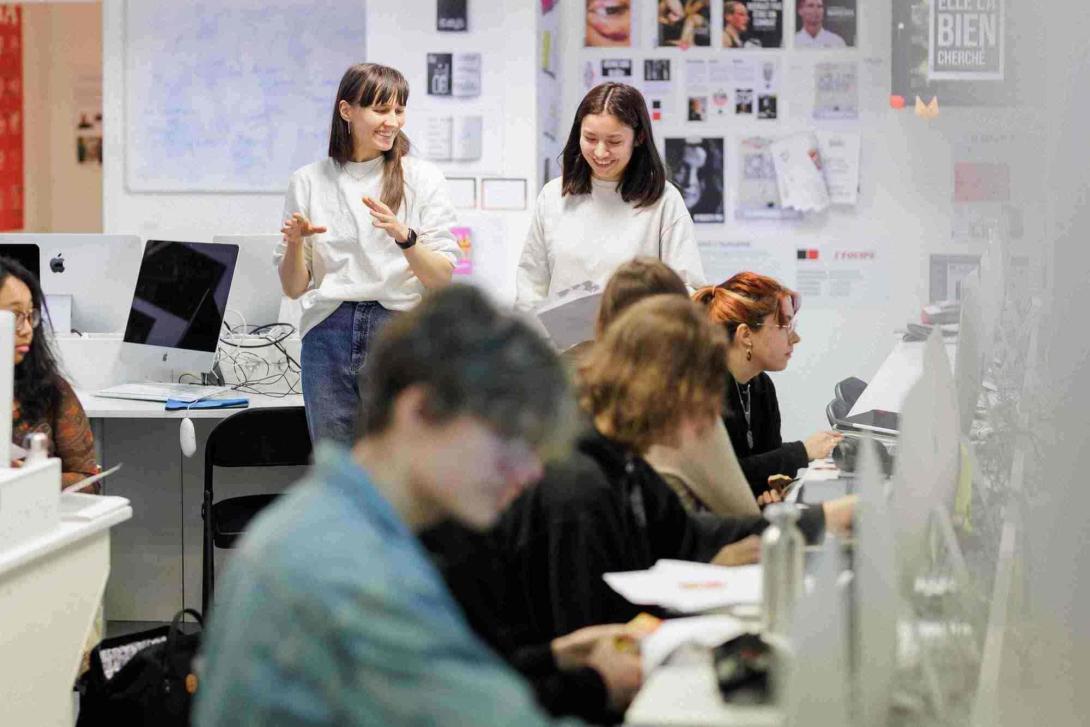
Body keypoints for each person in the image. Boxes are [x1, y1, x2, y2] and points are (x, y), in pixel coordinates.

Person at [195, 285, 630, 726]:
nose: (529, 472)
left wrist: (555, 657)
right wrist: (604, 684)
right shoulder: (359, 575)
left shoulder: (328, 523)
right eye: (509, 439)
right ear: (420, 410)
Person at [493, 295, 855, 643]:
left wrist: (823, 518)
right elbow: (594, 634)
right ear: (655, 389)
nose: (705, 422)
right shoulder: (579, 489)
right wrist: (709, 571)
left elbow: (690, 533)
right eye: (698, 400)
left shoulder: (623, 461)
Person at [276, 63, 461, 446]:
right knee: (336, 467)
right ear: (347, 111)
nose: (392, 122)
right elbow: (293, 288)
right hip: (327, 333)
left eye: (399, 110)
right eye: (380, 110)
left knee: (399, 465)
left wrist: (405, 237)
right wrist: (294, 243)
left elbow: (442, 278)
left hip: (398, 332)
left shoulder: (423, 178)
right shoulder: (308, 181)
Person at [592, 258, 763, 517]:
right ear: (683, 322)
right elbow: (746, 518)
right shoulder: (687, 417)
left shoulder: (585, 408)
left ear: (603, 323)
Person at [515, 82, 705, 311]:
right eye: (590, 138)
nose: (600, 152)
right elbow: (530, 287)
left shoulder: (663, 200)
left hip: (637, 332)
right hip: (562, 334)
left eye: (614, 142)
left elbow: (688, 289)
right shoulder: (553, 196)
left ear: (639, 138)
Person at [694, 273, 843, 497]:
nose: (795, 338)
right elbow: (720, 477)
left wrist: (772, 488)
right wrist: (802, 452)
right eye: (784, 326)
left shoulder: (761, 386)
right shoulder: (702, 392)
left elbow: (765, 464)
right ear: (746, 335)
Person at [0, 257, 98, 491]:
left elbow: (89, 481)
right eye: (15, 316)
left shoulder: (50, 390)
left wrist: (31, 478)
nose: (27, 330)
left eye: (29, 315)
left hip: (35, 510)